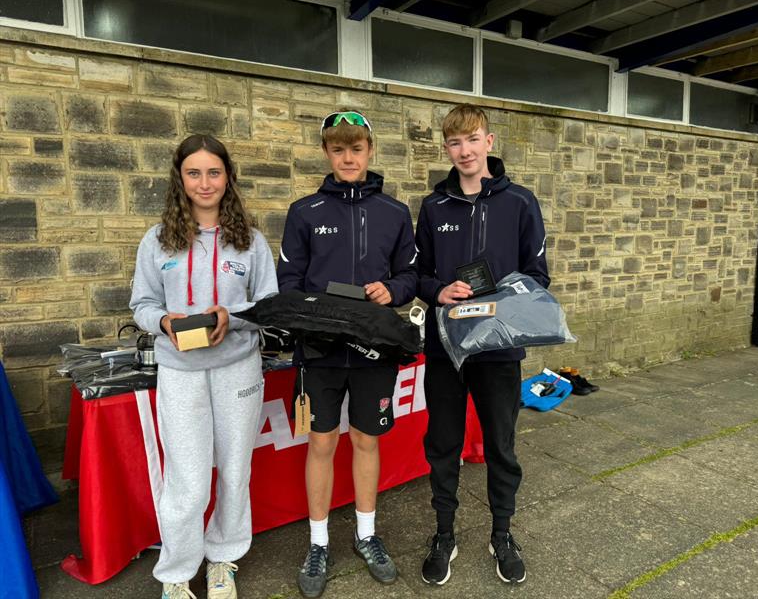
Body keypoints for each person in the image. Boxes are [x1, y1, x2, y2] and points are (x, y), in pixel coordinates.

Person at [130, 134, 278, 599]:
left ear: (228, 177)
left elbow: (270, 305)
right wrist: (163, 320)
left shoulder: (250, 241)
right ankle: (176, 572)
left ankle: (223, 559)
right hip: (181, 372)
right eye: (194, 173)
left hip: (238, 369)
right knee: (188, 478)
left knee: (235, 471)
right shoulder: (157, 240)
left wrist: (229, 317)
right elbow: (142, 304)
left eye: (214, 172)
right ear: (180, 178)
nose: (205, 182)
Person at [277, 110, 417, 598]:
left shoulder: (396, 213)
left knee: (366, 440)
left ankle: (365, 534)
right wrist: (313, 314)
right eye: (338, 149)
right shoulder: (305, 211)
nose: (348, 157)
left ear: (370, 151)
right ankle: (318, 543)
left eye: (356, 148)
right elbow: (288, 286)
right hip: (320, 352)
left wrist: (392, 290)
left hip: (374, 349)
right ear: (326, 154)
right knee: (319, 443)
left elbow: (410, 277)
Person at [415, 104, 549, 585]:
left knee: (501, 446)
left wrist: (499, 299)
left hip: (499, 350)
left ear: (489, 142)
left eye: (472, 140)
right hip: (445, 349)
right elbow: (419, 276)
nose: (464, 150)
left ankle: (502, 533)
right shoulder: (433, 207)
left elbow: (538, 277)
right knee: (443, 445)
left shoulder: (520, 202)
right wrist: (439, 291)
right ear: (447, 149)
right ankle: (444, 534)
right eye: (455, 143)